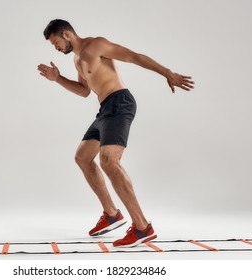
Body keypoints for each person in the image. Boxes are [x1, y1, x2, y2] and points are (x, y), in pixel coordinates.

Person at [37, 19, 194, 247]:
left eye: (56, 42)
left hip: (120, 103)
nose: (56, 48)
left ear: (67, 34)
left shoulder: (96, 45)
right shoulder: (77, 60)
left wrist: (167, 72)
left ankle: (142, 227)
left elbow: (134, 57)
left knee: (109, 161)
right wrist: (58, 78)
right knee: (82, 157)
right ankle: (112, 214)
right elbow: (83, 91)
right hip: (105, 109)